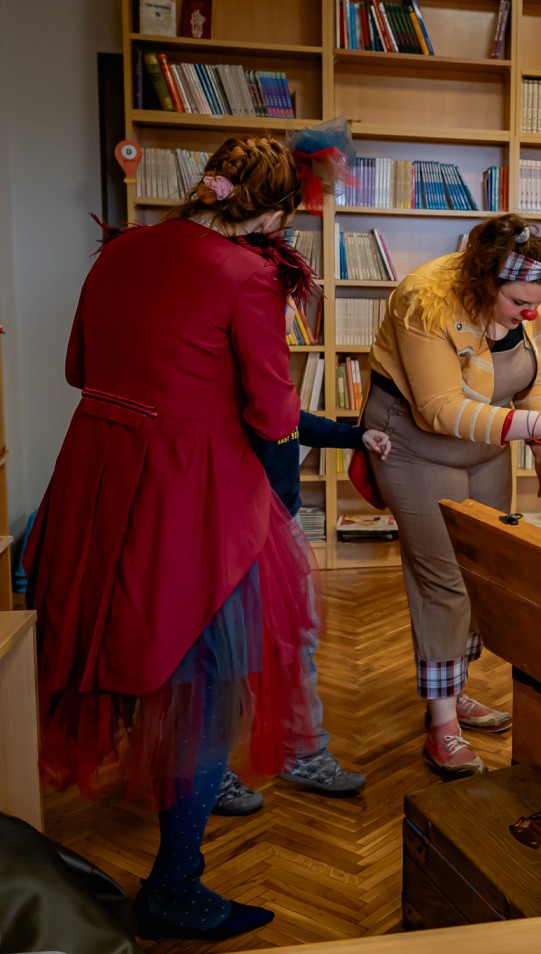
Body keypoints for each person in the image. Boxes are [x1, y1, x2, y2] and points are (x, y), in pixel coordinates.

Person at [23, 134, 338, 940]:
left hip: (97, 476)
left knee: (131, 645)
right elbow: (272, 413)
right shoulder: (246, 275)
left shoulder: (122, 249)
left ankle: (164, 820)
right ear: (271, 211)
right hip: (192, 489)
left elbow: (77, 366)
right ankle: (175, 885)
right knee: (203, 687)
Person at [360, 213, 541, 778]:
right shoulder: (424, 300)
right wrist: (531, 428)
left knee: (481, 571)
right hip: (415, 444)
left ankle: (453, 687)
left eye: (537, 304)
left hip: (486, 444)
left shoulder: (521, 293)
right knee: (442, 577)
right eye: (520, 304)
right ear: (486, 280)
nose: (530, 314)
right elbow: (438, 409)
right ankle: (442, 726)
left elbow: (531, 382)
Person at [213, 412, 389, 815]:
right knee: (226, 653)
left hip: (282, 525)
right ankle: (210, 771)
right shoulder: (222, 390)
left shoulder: (274, 387)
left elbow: (294, 420)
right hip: (229, 531)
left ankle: (303, 753)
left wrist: (358, 437)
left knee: (296, 645)